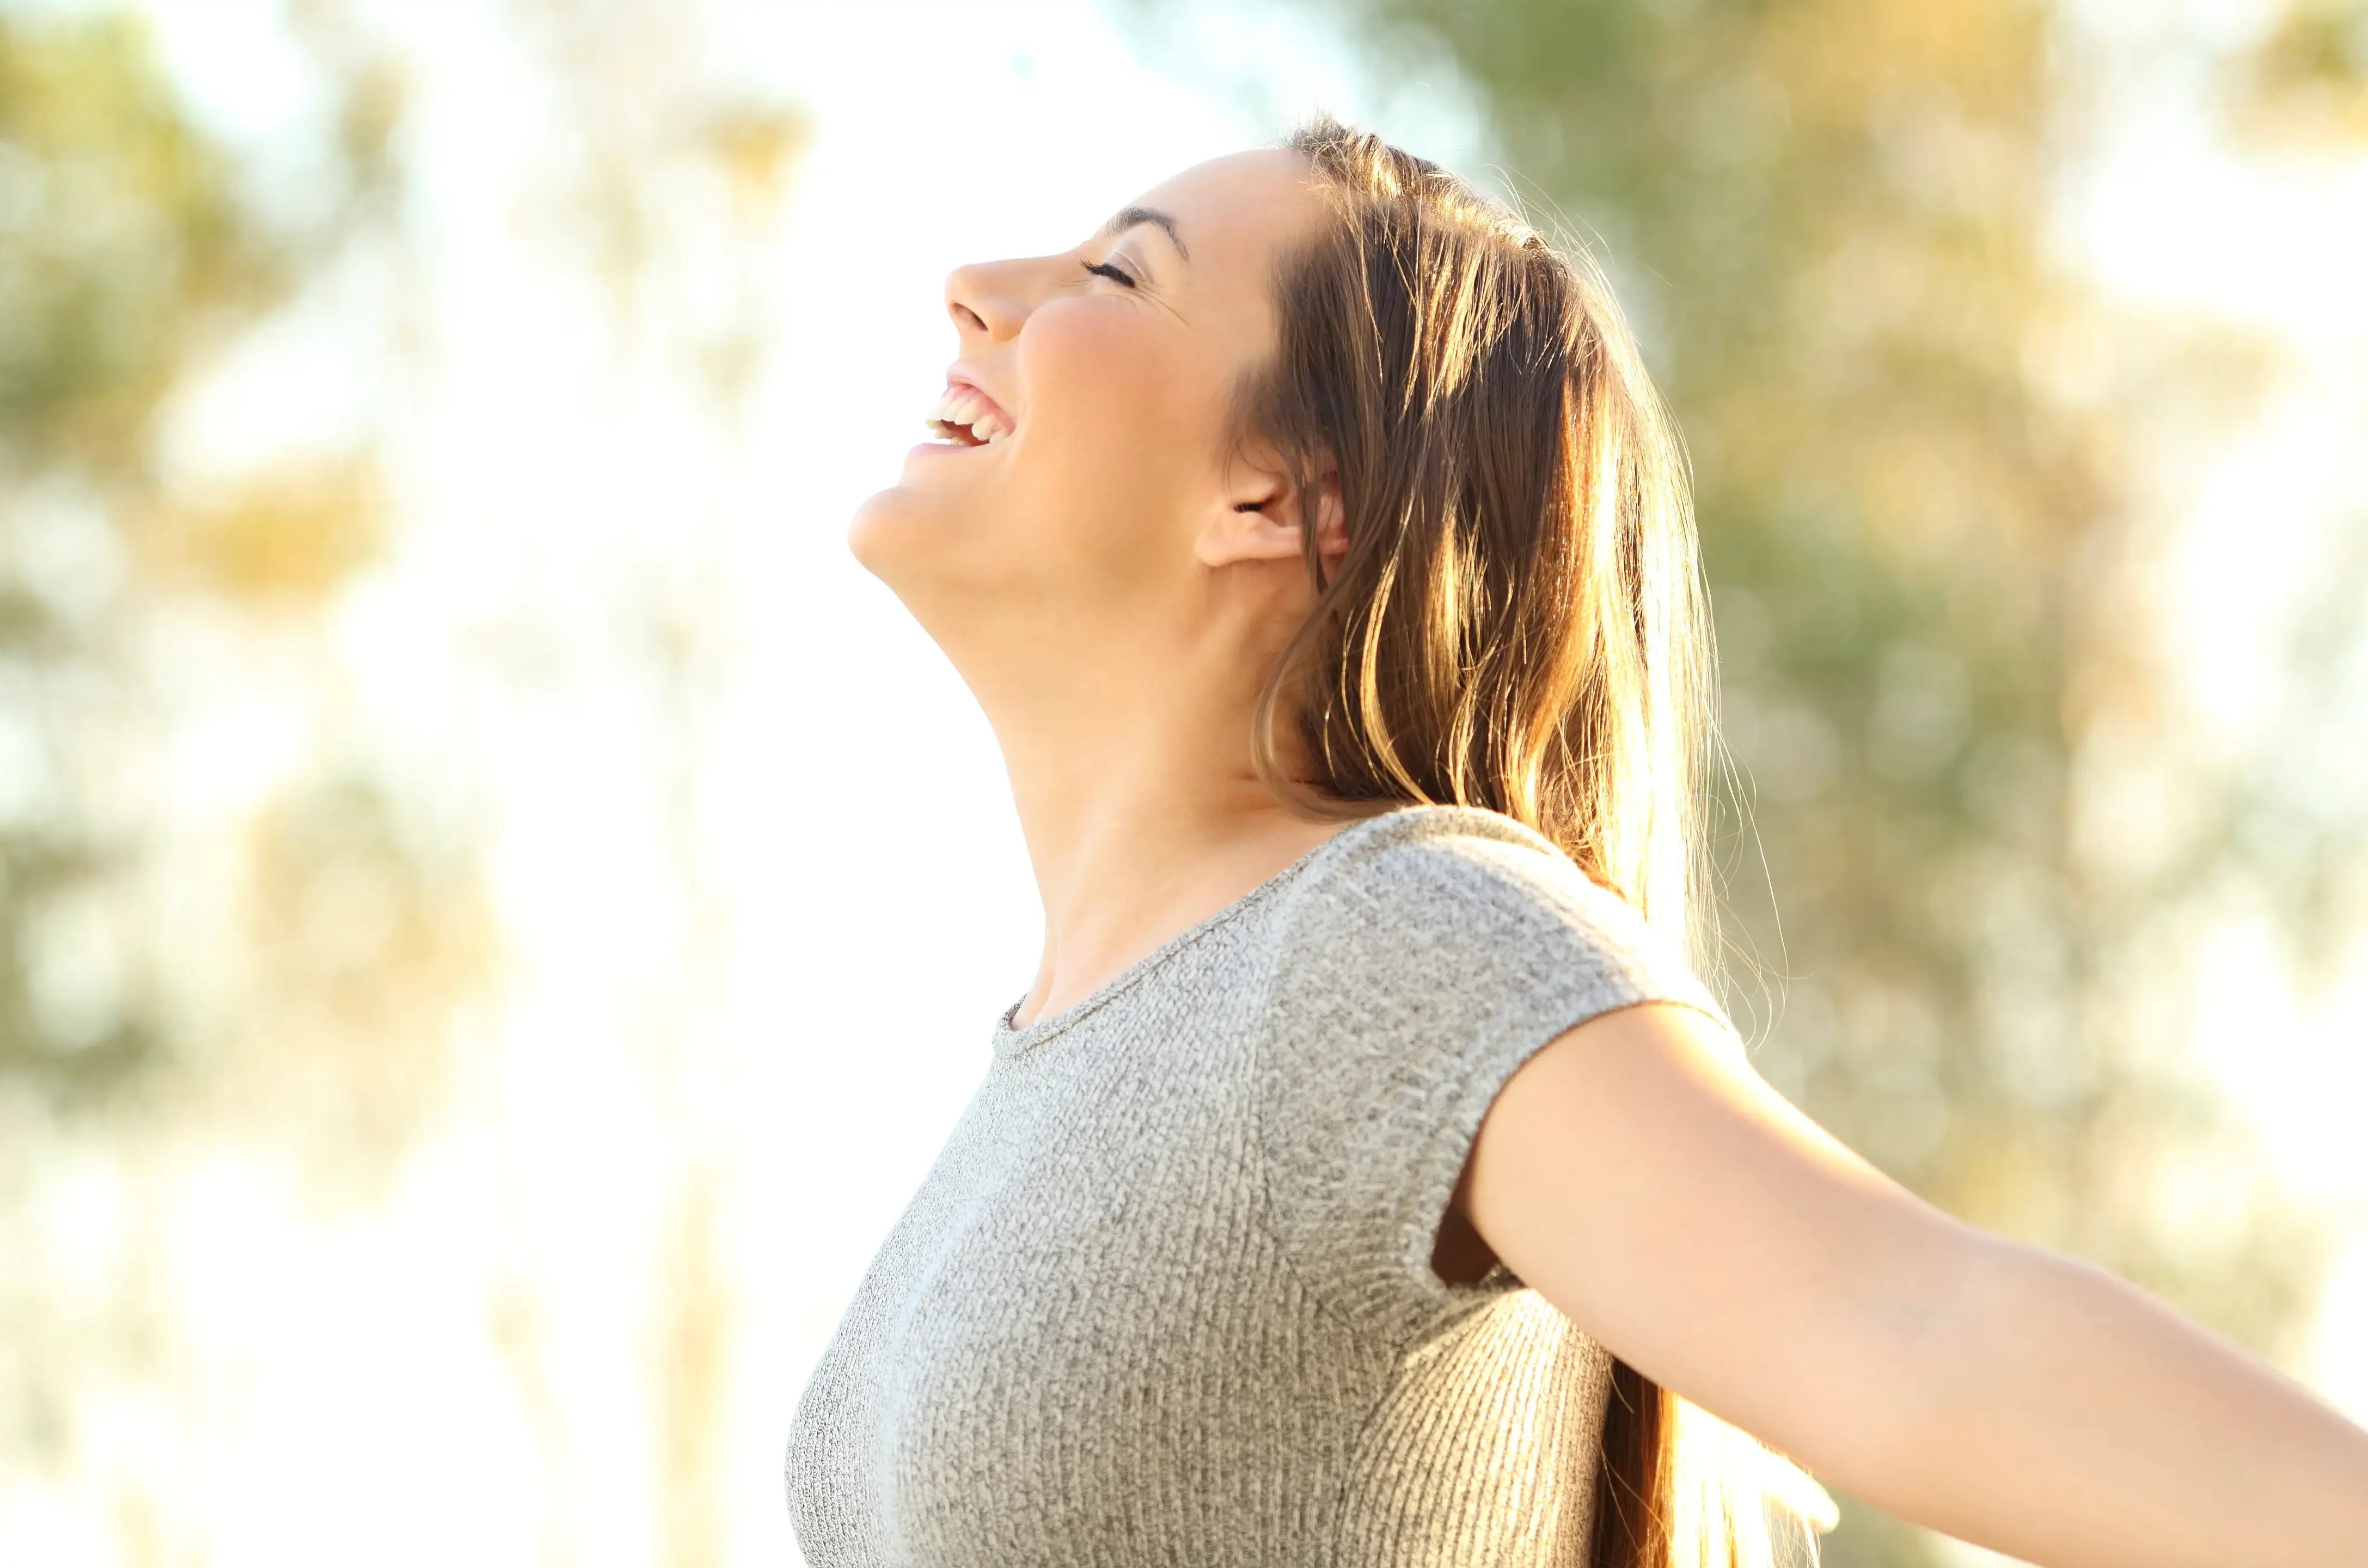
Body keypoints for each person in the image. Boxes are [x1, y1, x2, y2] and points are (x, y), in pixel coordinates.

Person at [781, 114, 2368, 1568]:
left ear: (1282, 497)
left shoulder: (1383, 943)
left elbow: (1915, 1334)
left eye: (1118, 272)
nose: (977, 288)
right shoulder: (1048, 1070)